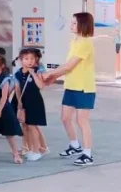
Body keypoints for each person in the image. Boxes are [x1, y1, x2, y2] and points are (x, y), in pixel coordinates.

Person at [43, 12, 96, 166]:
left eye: (74, 23)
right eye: (71, 22)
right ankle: (75, 145)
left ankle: (87, 154)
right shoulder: (75, 41)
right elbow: (67, 66)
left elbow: (69, 66)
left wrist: (49, 74)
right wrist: (54, 77)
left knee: (81, 120)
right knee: (65, 118)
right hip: (71, 86)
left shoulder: (85, 43)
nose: (71, 25)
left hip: (84, 87)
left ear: (83, 25)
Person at [0, 55, 23, 165]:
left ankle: (16, 154)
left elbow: (4, 97)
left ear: (2, 66)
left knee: (8, 133)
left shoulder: (5, 78)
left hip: (3, 108)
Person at [15, 48, 48, 161]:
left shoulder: (38, 71)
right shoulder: (18, 73)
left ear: (36, 60)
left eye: (32, 59)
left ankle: (37, 150)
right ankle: (30, 148)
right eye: (26, 59)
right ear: (21, 60)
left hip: (35, 102)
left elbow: (41, 86)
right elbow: (17, 89)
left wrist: (33, 73)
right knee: (25, 126)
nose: (29, 61)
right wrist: (19, 102)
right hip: (24, 102)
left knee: (32, 126)